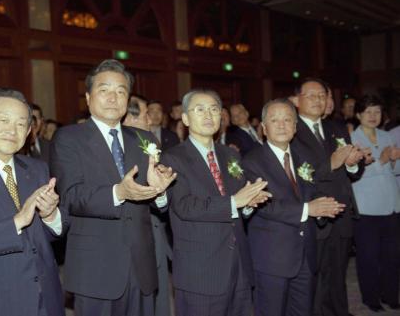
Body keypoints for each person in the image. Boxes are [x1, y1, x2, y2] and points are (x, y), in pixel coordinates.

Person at [50, 59, 176, 316]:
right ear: (88, 97)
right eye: (104, 90)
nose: (113, 97)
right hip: (96, 267)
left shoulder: (144, 139)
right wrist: (119, 192)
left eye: (120, 91)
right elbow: (71, 196)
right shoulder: (69, 138)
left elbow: (154, 201)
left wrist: (160, 191)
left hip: (142, 265)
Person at [162, 89, 270, 316]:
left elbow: (238, 205)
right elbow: (184, 206)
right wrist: (234, 202)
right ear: (185, 118)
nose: (208, 115)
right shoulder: (173, 158)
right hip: (201, 269)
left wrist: (249, 203)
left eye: (214, 109)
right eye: (199, 110)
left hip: (238, 264)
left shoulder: (230, 155)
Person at [0, 88, 66, 316]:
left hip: (47, 297)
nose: (11, 130)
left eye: (20, 124)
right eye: (3, 120)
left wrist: (50, 216)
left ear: (29, 130)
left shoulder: (37, 168)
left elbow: (42, 238)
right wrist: (16, 222)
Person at [243, 99, 345, 316]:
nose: (282, 125)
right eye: (274, 120)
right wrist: (309, 209)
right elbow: (265, 205)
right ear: (263, 127)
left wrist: (325, 207)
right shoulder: (252, 161)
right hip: (272, 257)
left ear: (296, 127)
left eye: (288, 119)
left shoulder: (302, 158)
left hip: (305, 254)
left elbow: (312, 191)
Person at [291, 78, 364, 316]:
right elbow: (299, 176)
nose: (318, 100)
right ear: (297, 100)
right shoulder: (290, 131)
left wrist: (352, 164)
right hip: (315, 214)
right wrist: (331, 165)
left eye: (322, 95)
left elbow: (354, 172)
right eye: (311, 95)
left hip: (341, 212)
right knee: (315, 276)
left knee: (338, 273)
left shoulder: (337, 128)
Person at [123, 94, 173, 316]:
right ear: (131, 118)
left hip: (153, 228)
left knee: (158, 298)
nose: (150, 121)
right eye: (145, 115)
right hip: (125, 236)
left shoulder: (150, 144)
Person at [350, 95, 400, 312]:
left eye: (377, 112)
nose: (373, 116)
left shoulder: (387, 135)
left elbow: (394, 171)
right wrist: (382, 161)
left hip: (392, 205)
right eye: (368, 112)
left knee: (392, 256)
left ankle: (391, 295)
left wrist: (395, 160)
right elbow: (354, 175)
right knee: (368, 257)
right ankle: (370, 297)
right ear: (359, 114)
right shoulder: (352, 140)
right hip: (367, 207)